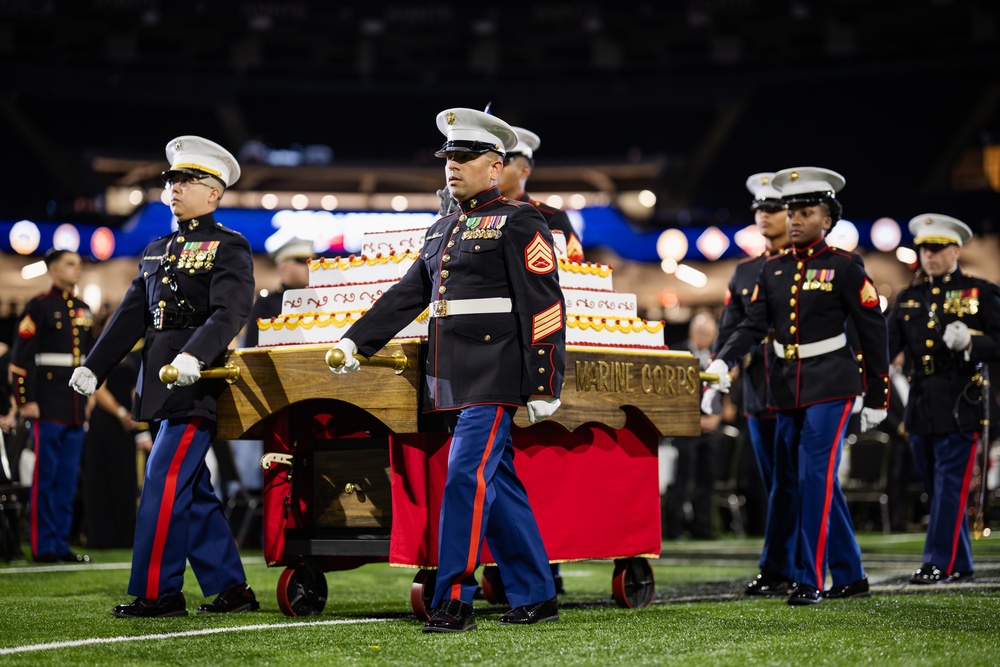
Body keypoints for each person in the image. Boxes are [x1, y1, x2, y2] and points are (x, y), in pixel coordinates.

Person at [330, 107, 565, 633]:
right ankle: (537, 592)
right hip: (452, 373)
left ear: (495, 166)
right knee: (496, 480)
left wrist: (546, 378)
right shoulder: (443, 228)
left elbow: (544, 303)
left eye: (464, 157)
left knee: (465, 476)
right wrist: (355, 341)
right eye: (447, 158)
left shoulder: (521, 220)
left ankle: (452, 596)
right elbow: (409, 294)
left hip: (495, 371)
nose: (451, 166)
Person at [69, 135, 259, 618]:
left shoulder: (229, 246)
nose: (174, 188)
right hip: (157, 383)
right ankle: (233, 589)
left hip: (197, 381)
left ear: (214, 192)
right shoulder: (158, 249)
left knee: (163, 478)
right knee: (190, 489)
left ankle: (159, 592)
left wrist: (197, 354)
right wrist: (95, 365)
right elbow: (131, 315)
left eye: (186, 181)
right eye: (172, 180)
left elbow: (230, 311)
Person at [706, 166, 889, 605]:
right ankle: (851, 575)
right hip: (784, 387)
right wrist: (722, 361)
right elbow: (752, 325)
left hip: (832, 383)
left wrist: (878, 395)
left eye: (805, 212)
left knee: (812, 477)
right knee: (795, 478)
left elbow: (872, 331)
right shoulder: (772, 270)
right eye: (791, 212)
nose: (794, 220)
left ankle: (809, 579)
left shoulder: (845, 266)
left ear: (827, 220)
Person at [887, 213, 1000, 584]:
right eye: (924, 248)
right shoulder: (908, 298)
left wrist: (972, 343)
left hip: (961, 399)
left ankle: (936, 561)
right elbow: (888, 348)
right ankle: (960, 563)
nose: (929, 256)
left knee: (950, 486)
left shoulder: (980, 291)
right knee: (936, 487)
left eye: (937, 249)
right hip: (921, 401)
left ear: (956, 249)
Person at [707, 172, 796, 594]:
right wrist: (714, 380)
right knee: (776, 482)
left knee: (805, 481)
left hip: (803, 384)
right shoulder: (744, 271)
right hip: (761, 390)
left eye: (773, 208)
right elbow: (728, 331)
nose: (764, 216)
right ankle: (783, 564)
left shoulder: (808, 265)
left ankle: (799, 563)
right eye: (760, 209)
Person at [9, 249, 94, 563]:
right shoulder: (39, 307)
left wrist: (88, 400)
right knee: (46, 478)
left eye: (79, 263)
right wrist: (25, 400)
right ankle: (43, 547)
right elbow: (20, 360)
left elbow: (86, 361)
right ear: (54, 270)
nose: (78, 269)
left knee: (68, 479)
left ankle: (60, 544)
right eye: (71, 264)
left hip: (74, 407)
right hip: (46, 406)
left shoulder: (84, 309)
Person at [666, 312, 722, 540]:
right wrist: (691, 418)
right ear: (691, 331)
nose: (704, 337)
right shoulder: (676, 352)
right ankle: (674, 528)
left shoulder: (717, 358)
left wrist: (716, 417)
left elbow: (723, 390)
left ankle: (703, 527)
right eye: (701, 332)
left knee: (706, 480)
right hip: (684, 427)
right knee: (682, 479)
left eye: (709, 334)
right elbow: (670, 393)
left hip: (709, 428)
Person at [496, 125, 584, 262]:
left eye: (504, 163)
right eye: (493, 162)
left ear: (525, 170)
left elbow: (575, 272)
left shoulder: (551, 218)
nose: (496, 168)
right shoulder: (475, 214)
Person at [242, 238, 315, 347]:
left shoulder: (319, 299)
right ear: (284, 268)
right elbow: (252, 348)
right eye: (302, 261)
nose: (309, 266)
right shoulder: (266, 304)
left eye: (311, 261)